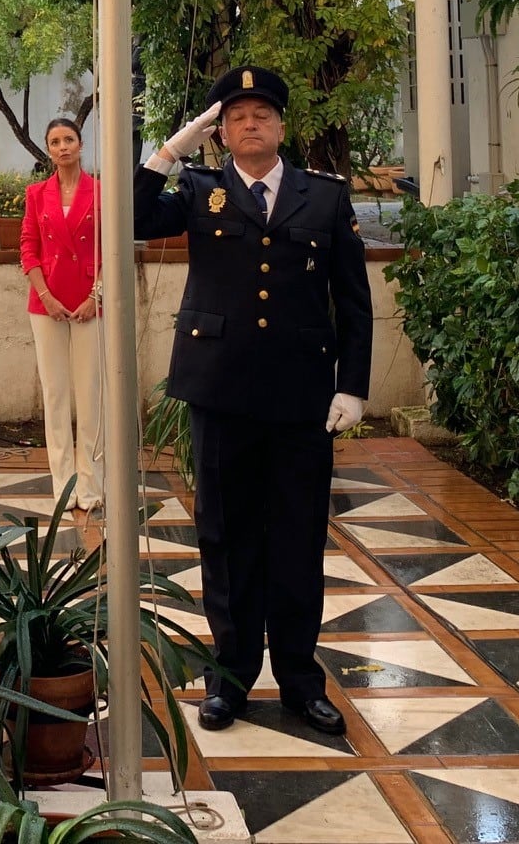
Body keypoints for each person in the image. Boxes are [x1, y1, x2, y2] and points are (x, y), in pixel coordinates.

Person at [135, 66, 373, 737]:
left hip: (301, 397)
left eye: (261, 114)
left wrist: (351, 386)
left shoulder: (322, 197)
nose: (249, 124)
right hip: (221, 391)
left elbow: (354, 303)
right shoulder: (198, 190)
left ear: (281, 127)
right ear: (221, 131)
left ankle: (299, 679)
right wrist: (169, 151)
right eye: (235, 115)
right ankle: (229, 679)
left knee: (298, 539)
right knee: (226, 537)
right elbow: (129, 218)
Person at [20, 116, 103, 514]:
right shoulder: (36, 194)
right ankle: (63, 486)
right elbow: (28, 247)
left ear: (80, 144)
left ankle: (91, 484)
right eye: (55, 141)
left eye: (68, 139)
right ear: (48, 149)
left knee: (90, 395)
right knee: (55, 396)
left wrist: (95, 295)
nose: (62, 147)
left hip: (91, 301)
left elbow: (111, 249)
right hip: (47, 302)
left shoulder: (101, 192)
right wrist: (45, 295)